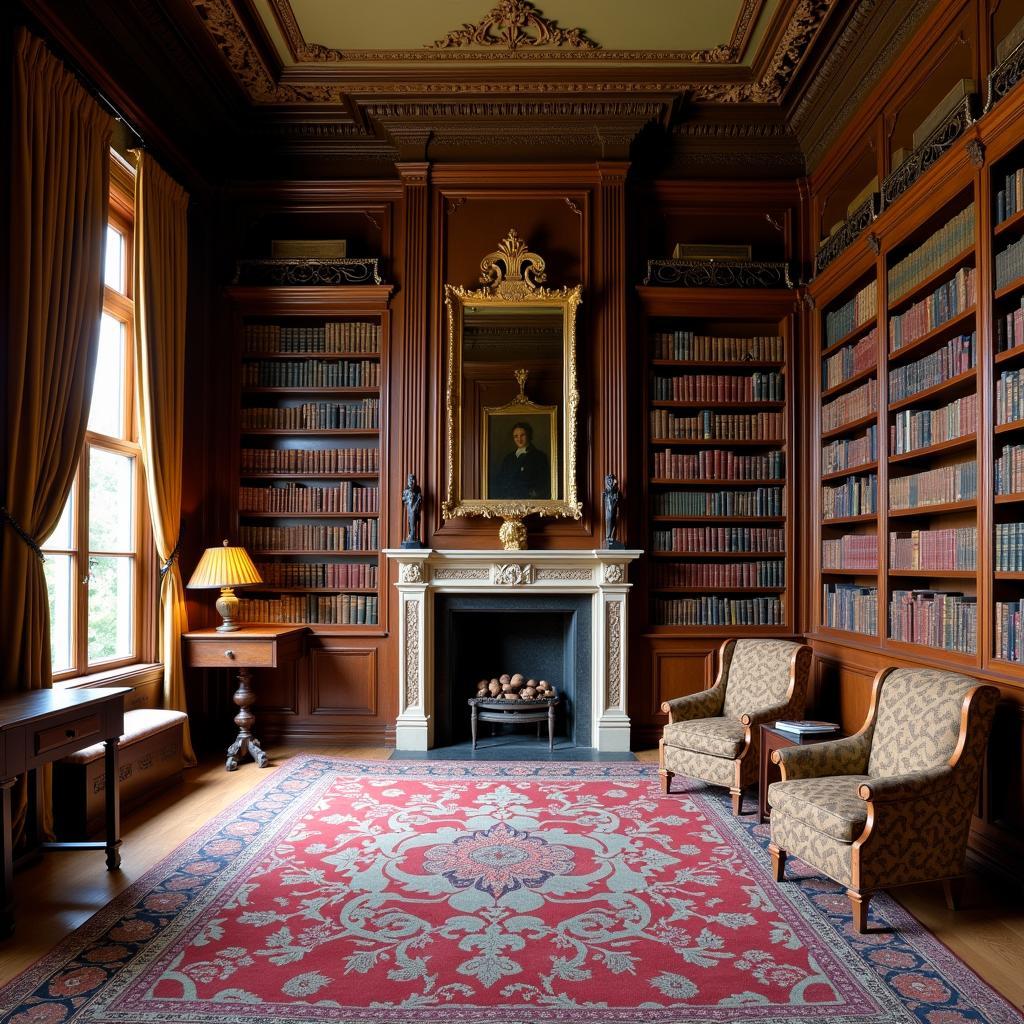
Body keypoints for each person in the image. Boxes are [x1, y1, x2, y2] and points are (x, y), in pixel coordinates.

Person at [493, 421, 550, 499]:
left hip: (529, 503)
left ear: (529, 435)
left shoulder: (539, 456)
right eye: (516, 436)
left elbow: (543, 484)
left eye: (522, 435)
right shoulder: (508, 458)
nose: (519, 439)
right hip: (509, 503)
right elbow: (501, 482)